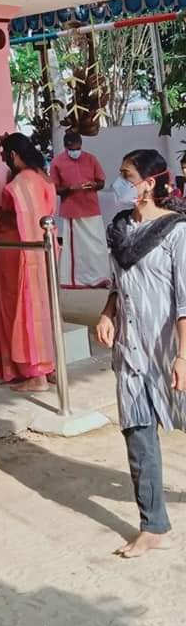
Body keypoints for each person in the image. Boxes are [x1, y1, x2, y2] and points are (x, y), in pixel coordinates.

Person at [96, 148, 186, 558]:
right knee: (138, 433)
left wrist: (183, 356)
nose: (120, 182)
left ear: (149, 184)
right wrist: (108, 313)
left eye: (127, 175)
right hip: (131, 349)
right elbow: (119, 283)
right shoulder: (118, 229)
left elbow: (185, 301)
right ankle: (154, 526)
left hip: (169, 349)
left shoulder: (176, 233)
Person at [0, 132, 56, 391]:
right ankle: (48, 366)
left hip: (18, 252)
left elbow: (15, 219)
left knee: (19, 309)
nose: (5, 159)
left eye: (5, 155)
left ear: (14, 155)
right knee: (42, 307)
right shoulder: (44, 177)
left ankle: (34, 373)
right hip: (43, 251)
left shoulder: (19, 184)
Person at [50, 130, 110, 289]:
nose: (75, 152)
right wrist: (70, 188)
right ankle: (75, 280)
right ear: (65, 146)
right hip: (72, 210)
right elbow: (55, 188)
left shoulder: (91, 159)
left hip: (91, 207)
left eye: (77, 148)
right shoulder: (57, 162)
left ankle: (100, 277)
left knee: (97, 245)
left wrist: (94, 185)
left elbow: (102, 182)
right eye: (71, 149)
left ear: (81, 145)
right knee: (76, 249)